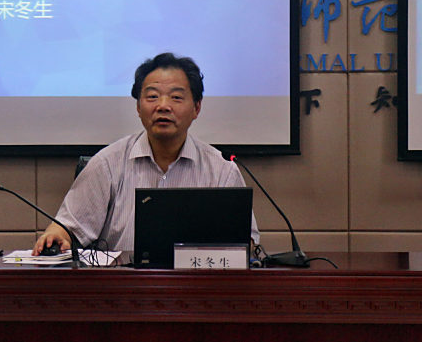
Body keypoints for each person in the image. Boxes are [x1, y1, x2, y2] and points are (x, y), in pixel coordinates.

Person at [33, 52, 259, 254]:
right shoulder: (107, 164)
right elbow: (67, 228)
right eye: (152, 97)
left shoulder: (221, 170)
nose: (163, 106)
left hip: (197, 283)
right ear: (138, 107)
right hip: (120, 284)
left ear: (196, 108)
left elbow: (245, 244)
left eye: (176, 97)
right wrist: (57, 236)